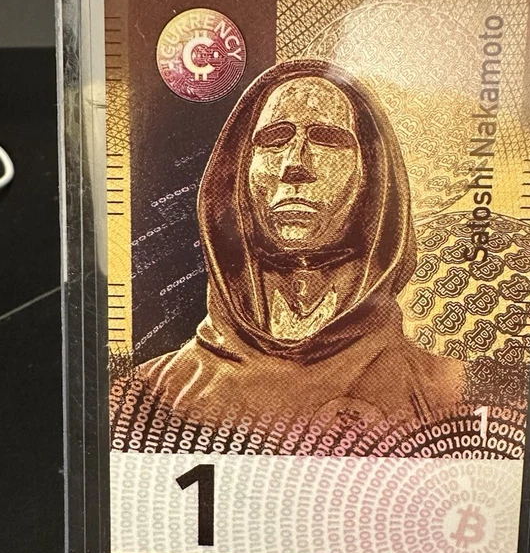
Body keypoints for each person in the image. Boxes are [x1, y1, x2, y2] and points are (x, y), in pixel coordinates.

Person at [112, 59, 466, 451]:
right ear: (237, 175)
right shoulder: (144, 399)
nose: (295, 164)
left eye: (327, 139)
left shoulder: (451, 398)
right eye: (274, 140)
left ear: (375, 177)